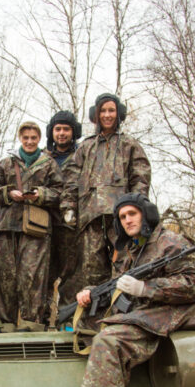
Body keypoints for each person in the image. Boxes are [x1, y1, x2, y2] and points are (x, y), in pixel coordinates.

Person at [50, 193, 195, 387]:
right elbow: (116, 285)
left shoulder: (171, 242)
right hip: (138, 312)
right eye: (122, 217)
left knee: (108, 341)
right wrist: (91, 293)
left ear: (145, 214)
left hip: (162, 314)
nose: (127, 220)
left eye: (132, 214)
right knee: (81, 329)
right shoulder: (130, 250)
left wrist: (148, 289)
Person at [60, 94, 151, 305]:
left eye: (111, 110)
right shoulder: (85, 147)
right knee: (92, 271)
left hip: (121, 218)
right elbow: (71, 180)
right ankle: (94, 320)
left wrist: (138, 207)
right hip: (89, 219)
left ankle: (125, 314)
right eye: (103, 111)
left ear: (118, 114)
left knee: (126, 265)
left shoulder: (129, 144)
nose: (107, 115)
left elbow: (141, 177)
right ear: (96, 115)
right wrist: (68, 207)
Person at [0, 121, 63, 329]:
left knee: (33, 276)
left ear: (39, 139)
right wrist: (9, 193)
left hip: (36, 229)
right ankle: (5, 324)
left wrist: (40, 195)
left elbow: (59, 192)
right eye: (26, 137)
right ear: (20, 138)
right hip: (6, 226)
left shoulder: (49, 164)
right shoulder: (5, 164)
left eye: (33, 138)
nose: (29, 141)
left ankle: (31, 323)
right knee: (4, 275)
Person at [43, 111, 82, 316]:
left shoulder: (83, 154)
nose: (62, 133)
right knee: (43, 275)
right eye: (57, 129)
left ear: (73, 131)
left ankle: (67, 320)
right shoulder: (42, 157)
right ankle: (40, 322)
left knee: (71, 275)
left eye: (66, 129)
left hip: (71, 224)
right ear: (52, 132)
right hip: (44, 224)